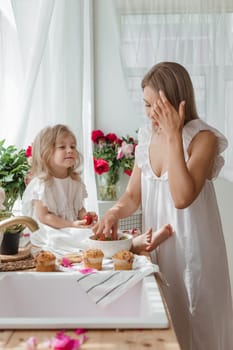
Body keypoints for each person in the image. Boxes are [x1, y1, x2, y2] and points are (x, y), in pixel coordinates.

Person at [93, 62, 233, 349]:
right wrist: (114, 212)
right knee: (165, 324)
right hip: (158, 248)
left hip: (194, 254)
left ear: (173, 102)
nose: (149, 114)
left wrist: (172, 134)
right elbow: (133, 196)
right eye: (145, 106)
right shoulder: (147, 136)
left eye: (153, 106)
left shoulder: (203, 138)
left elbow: (182, 198)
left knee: (198, 327)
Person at [22, 124, 98, 229]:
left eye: (73, 146)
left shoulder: (75, 181)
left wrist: (85, 217)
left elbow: (79, 209)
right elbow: (44, 217)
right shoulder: (41, 183)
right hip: (50, 230)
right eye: (62, 147)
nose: (70, 150)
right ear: (46, 153)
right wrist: (71, 224)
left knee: (92, 236)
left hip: (71, 227)